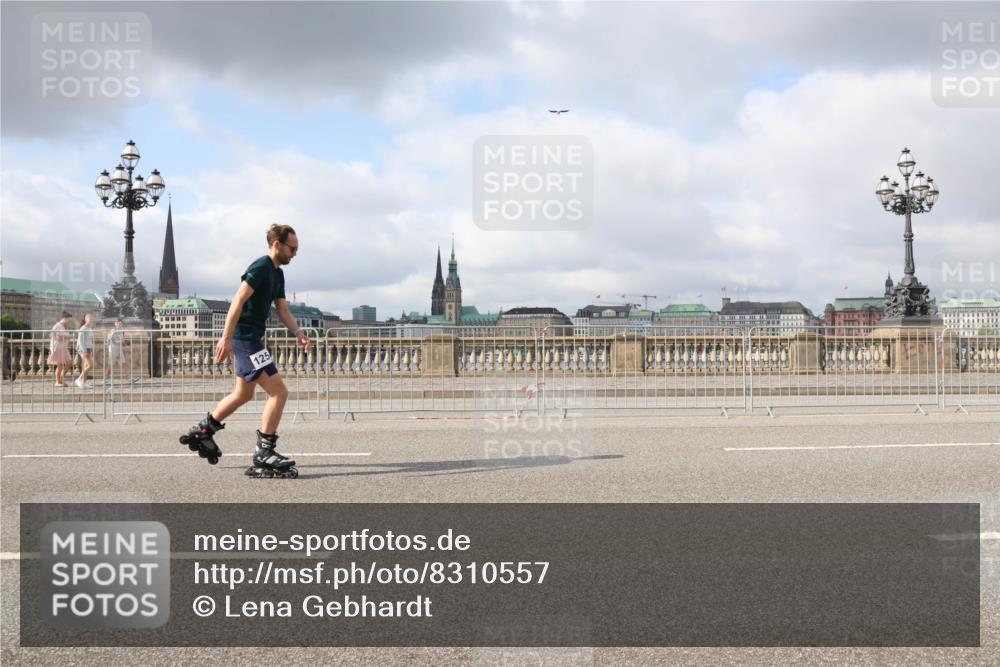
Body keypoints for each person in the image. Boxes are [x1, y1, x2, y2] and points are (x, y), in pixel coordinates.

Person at [180, 224, 311, 477]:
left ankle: (205, 430)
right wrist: (226, 338)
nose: (295, 253)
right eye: (292, 248)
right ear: (277, 245)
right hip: (246, 340)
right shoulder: (260, 267)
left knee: (243, 394)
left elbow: (283, 310)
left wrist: (299, 333)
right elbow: (238, 299)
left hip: (252, 340)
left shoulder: (278, 274)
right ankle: (265, 451)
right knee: (279, 393)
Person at [47, 312, 74, 387]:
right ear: (64, 318)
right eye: (69, 320)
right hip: (57, 347)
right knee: (60, 365)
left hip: (63, 348)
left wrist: (69, 337)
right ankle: (58, 381)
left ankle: (61, 378)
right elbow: (58, 338)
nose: (69, 322)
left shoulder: (63, 326)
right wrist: (70, 337)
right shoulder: (58, 326)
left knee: (69, 363)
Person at [103, 318, 127, 385]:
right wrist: (120, 342)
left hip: (119, 349)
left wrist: (124, 343)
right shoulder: (113, 331)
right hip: (113, 349)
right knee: (110, 365)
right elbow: (112, 341)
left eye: (120, 323)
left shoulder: (122, 331)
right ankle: (105, 379)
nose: (119, 324)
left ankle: (129, 378)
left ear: (122, 324)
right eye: (117, 323)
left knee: (124, 363)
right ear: (115, 324)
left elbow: (123, 340)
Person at [75, 313, 95, 389]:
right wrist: (84, 351)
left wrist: (91, 349)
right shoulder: (83, 328)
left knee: (88, 366)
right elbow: (80, 340)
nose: (91, 319)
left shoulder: (89, 328)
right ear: (85, 319)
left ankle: (83, 382)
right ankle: (79, 379)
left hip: (88, 348)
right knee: (90, 366)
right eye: (89, 317)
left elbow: (89, 340)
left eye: (91, 317)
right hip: (84, 349)